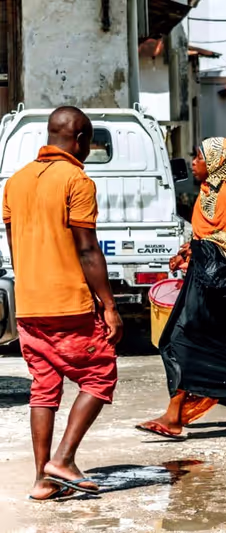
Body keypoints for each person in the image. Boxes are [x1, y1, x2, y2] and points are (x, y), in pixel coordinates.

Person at [3, 106, 123, 500]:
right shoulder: (77, 179)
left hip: (29, 304)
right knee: (100, 374)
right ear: (81, 140)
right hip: (68, 305)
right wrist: (108, 304)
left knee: (44, 388)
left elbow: (13, 242)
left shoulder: (15, 183)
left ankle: (43, 480)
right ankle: (64, 459)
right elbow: (87, 249)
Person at [136, 137, 226, 441]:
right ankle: (175, 416)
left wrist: (202, 247)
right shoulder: (208, 192)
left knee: (193, 342)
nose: (194, 162)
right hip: (207, 283)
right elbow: (211, 236)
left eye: (199, 157)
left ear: (215, 163)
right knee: (196, 342)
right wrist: (189, 251)